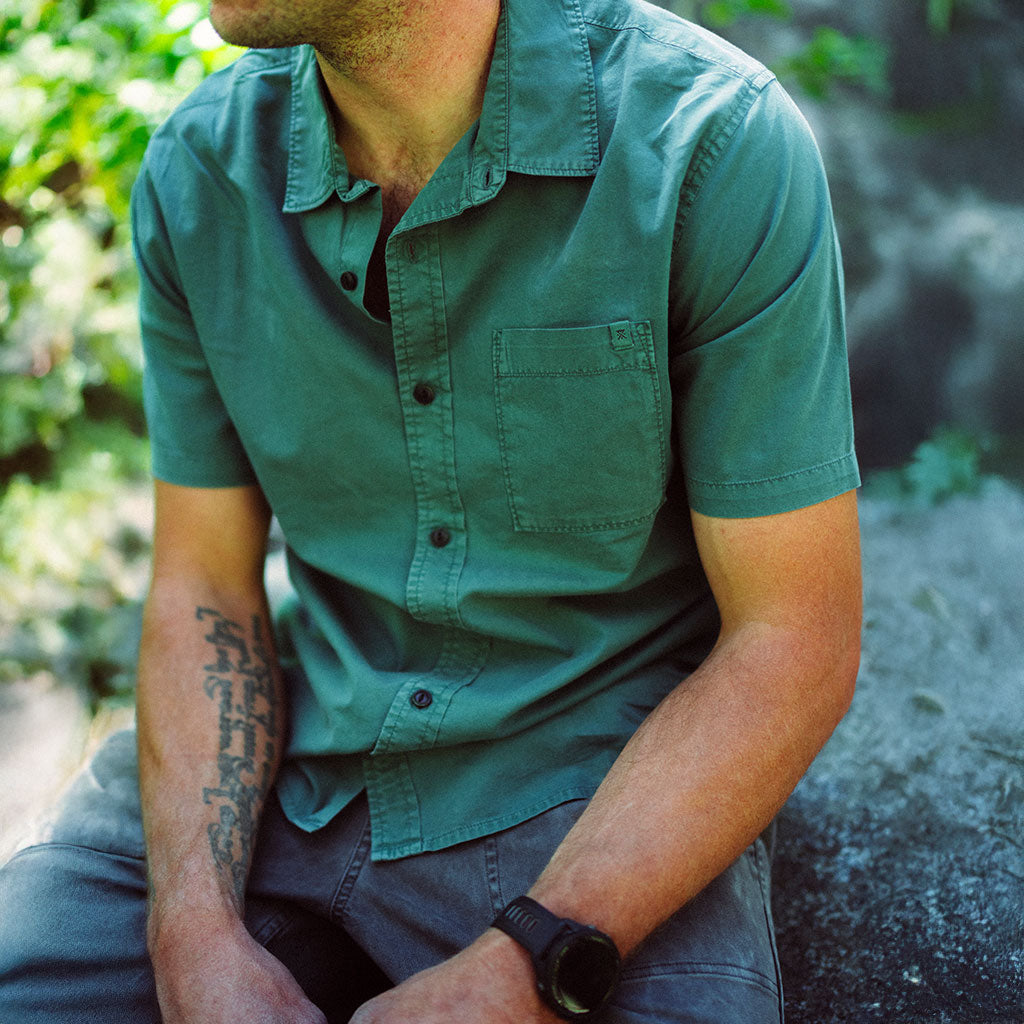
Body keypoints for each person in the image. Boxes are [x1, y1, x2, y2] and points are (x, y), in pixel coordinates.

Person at [0, 0, 863, 1020]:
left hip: (591, 800)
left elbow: (793, 637)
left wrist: (528, 967)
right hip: (288, 773)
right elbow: (203, 584)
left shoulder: (712, 145)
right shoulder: (199, 173)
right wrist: (191, 930)